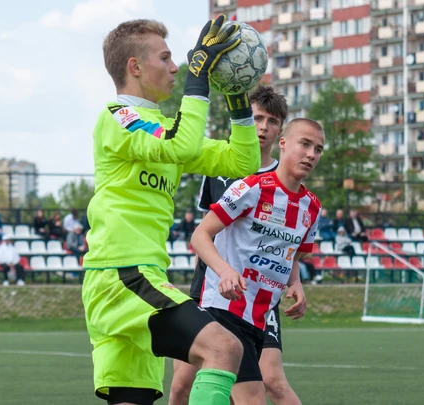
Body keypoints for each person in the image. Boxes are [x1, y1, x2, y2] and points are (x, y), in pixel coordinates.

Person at [81, 16, 262, 405]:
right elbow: (180, 145)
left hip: (135, 277)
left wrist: (236, 98)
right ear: (135, 67)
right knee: (224, 349)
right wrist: (198, 79)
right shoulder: (119, 117)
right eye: (166, 58)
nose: (177, 67)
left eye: (181, 62)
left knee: (133, 398)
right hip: (122, 275)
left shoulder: (165, 128)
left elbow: (243, 162)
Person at [170, 85, 300, 405]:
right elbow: (205, 232)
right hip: (212, 289)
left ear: (280, 130)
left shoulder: (286, 179)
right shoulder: (221, 168)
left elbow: (288, 240)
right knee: (182, 384)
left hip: (258, 298)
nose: (262, 127)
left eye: (271, 121)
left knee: (271, 381)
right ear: (241, 120)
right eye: (256, 118)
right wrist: (222, 271)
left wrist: (295, 281)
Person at [190, 118, 324, 405]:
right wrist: (224, 271)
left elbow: (291, 254)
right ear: (284, 144)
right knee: (251, 399)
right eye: (305, 144)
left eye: (318, 149)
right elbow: (200, 235)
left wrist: (296, 283)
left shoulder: (312, 207)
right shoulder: (251, 187)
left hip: (259, 317)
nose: (312, 154)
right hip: (224, 308)